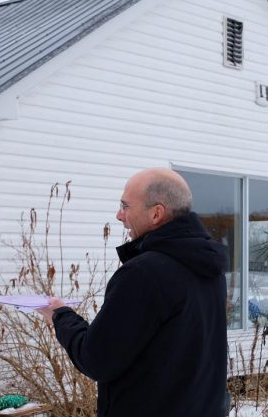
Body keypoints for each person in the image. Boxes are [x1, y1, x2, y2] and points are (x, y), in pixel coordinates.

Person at [37, 168, 229, 416]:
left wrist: (60, 315)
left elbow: (97, 359)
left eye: (125, 206)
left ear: (156, 214)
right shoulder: (209, 268)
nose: (119, 216)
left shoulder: (144, 274)